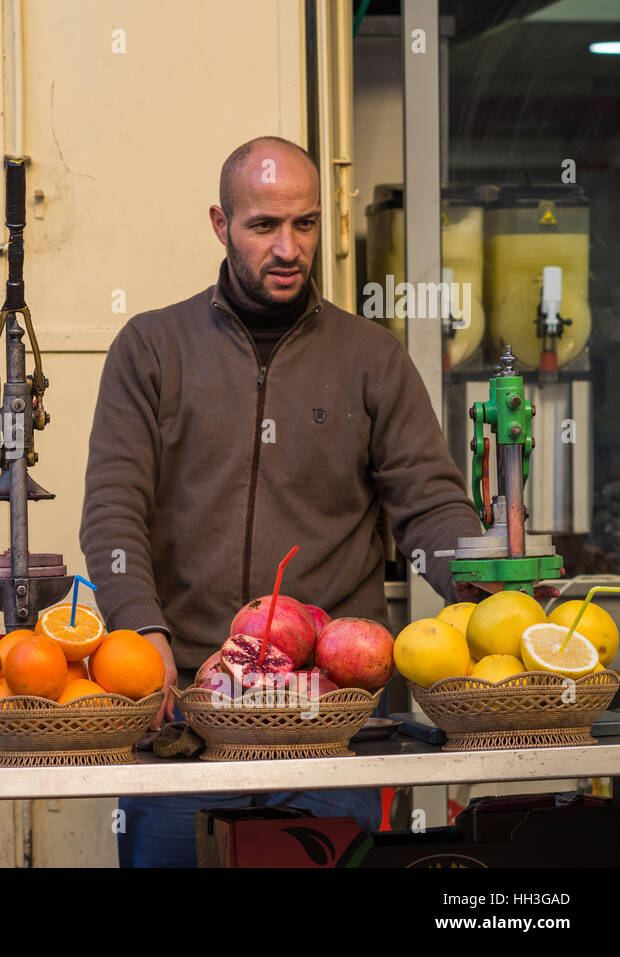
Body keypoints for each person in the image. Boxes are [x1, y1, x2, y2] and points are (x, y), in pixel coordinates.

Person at [79, 135, 487, 867]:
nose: (288, 246)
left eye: (303, 224)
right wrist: (142, 630)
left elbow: (428, 507)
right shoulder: (151, 348)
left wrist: (485, 584)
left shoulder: (372, 358)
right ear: (221, 224)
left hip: (331, 722)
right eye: (264, 225)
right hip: (188, 719)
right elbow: (114, 511)